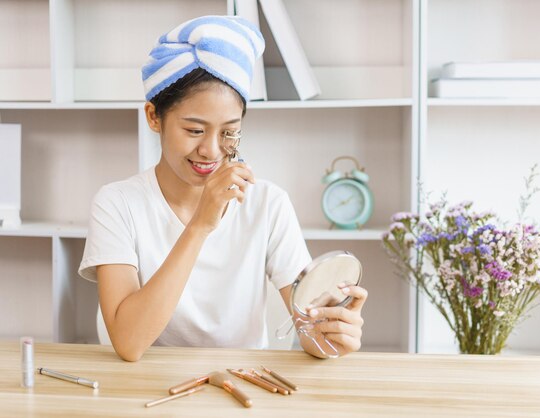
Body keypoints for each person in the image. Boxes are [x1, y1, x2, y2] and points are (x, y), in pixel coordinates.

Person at [78, 15, 368, 362]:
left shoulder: (268, 204)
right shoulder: (117, 204)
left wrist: (332, 333)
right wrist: (201, 224)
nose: (212, 151)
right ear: (154, 117)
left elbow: (307, 332)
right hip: (149, 388)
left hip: (244, 383)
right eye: (194, 130)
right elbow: (128, 342)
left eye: (229, 131)